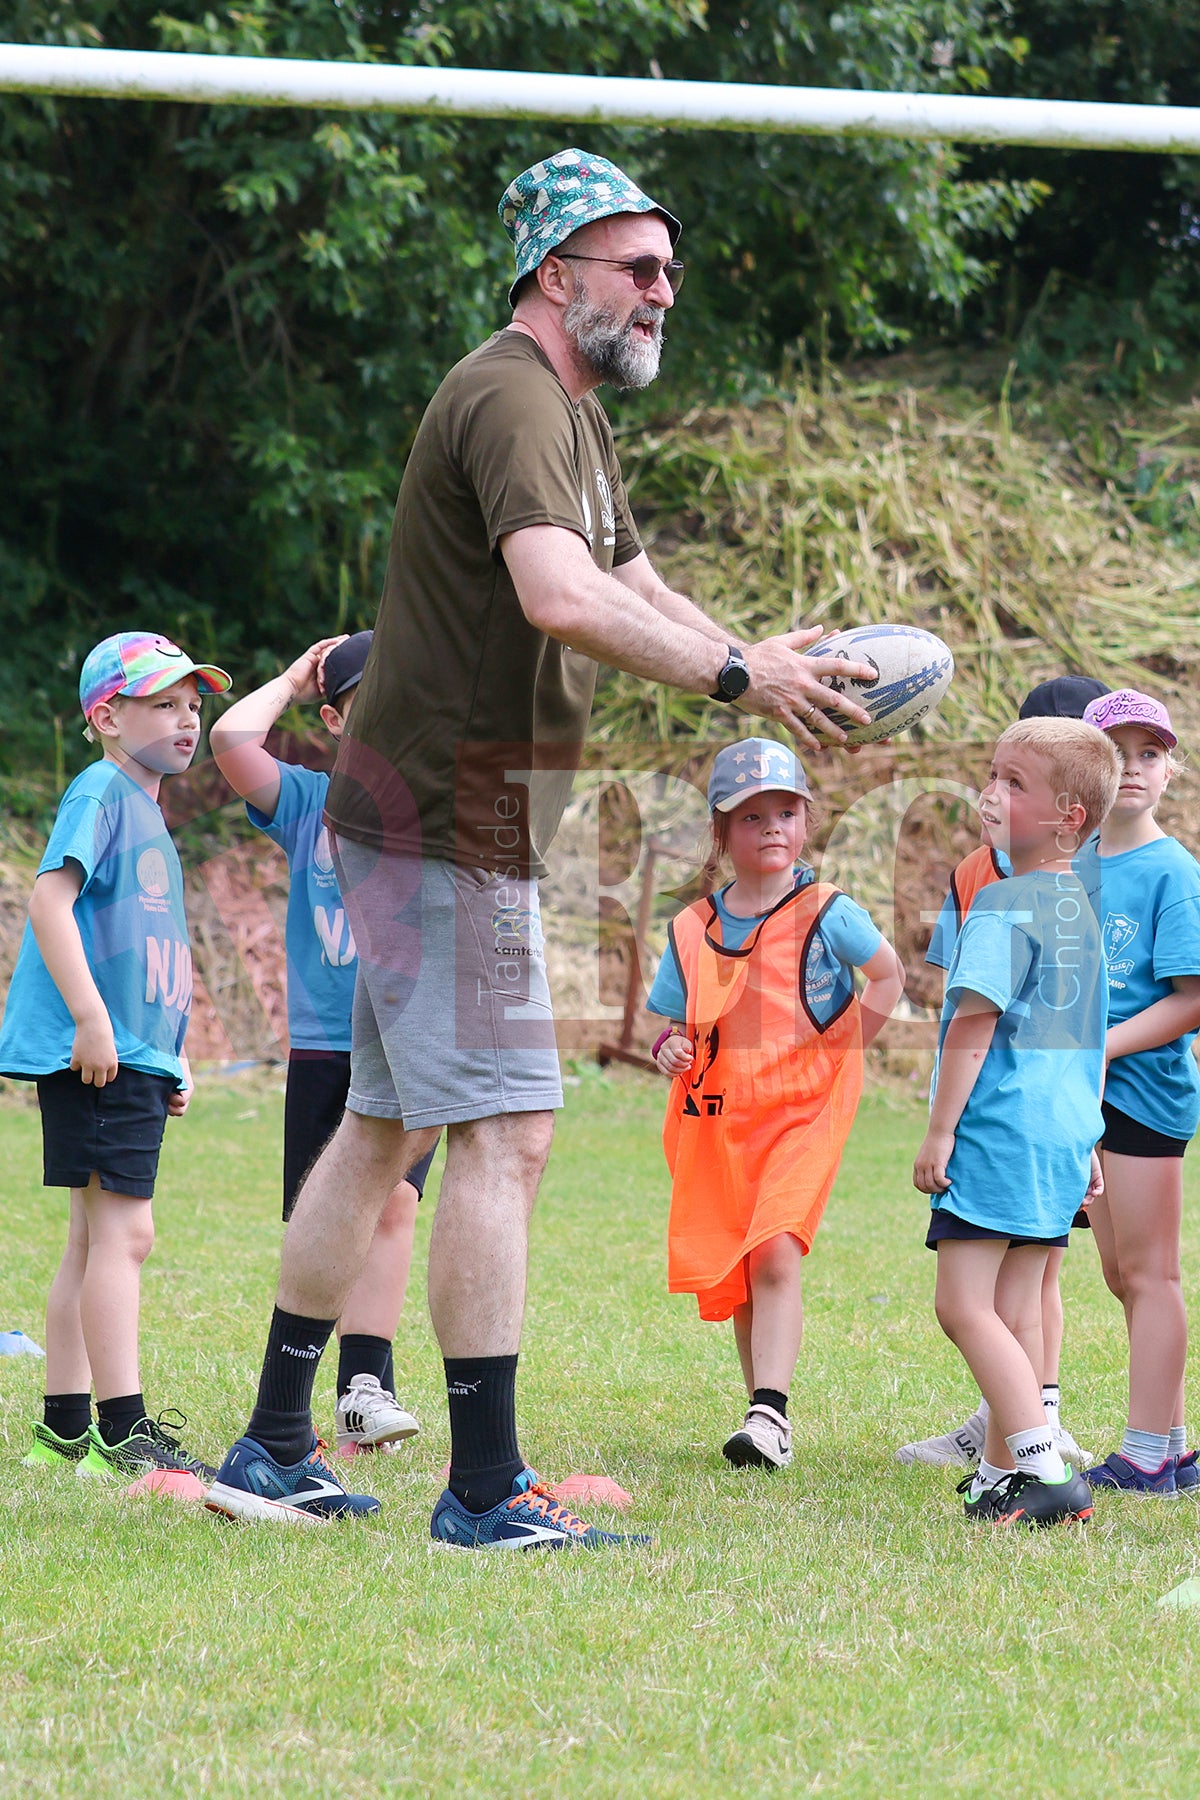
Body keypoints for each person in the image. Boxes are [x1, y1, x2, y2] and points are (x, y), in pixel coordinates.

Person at [204, 146, 879, 1542]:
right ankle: (483, 1488)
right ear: (554, 273)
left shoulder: (571, 416)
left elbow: (631, 580)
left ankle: (272, 1446)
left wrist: (749, 651)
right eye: (639, 269)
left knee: (384, 1131)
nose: (662, 294)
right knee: (506, 1136)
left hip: (435, 820)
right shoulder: (511, 392)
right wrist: (735, 682)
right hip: (452, 823)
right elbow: (560, 593)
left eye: (670, 274)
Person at [0, 631, 230, 1479]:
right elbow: (48, 903)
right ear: (106, 716)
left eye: (192, 706)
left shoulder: (145, 808)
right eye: (163, 704)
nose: (185, 720)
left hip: (129, 1054)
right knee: (126, 1236)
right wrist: (93, 1021)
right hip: (98, 1051)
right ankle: (122, 1430)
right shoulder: (101, 790)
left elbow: (141, 948)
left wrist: (168, 1057)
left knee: (92, 1240)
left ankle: (63, 1430)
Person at [209, 630, 438, 1455]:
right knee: (326, 1211)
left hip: (410, 1035)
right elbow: (232, 740)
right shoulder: (308, 801)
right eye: (369, 699)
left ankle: (364, 1387)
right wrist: (294, 679)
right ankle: (290, 1400)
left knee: (399, 1204)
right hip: (324, 1044)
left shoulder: (436, 798)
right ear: (337, 718)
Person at [647, 738, 904, 1469]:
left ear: (807, 821)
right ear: (721, 833)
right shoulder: (692, 926)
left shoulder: (828, 911)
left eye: (786, 812)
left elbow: (887, 979)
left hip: (803, 1112)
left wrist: (845, 1047)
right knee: (741, 1264)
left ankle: (772, 1413)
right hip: (721, 1120)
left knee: (776, 1249)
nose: (771, 828)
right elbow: (678, 1023)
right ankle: (760, 1416)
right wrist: (669, 1048)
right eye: (750, 815)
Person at [896, 673, 1110, 1470]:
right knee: (1020, 1306)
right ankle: (1000, 1470)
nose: (989, 793)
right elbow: (1086, 1042)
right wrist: (1088, 1137)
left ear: (1069, 816)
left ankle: (1041, 1464)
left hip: (998, 1133)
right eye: (990, 774)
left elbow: (973, 1028)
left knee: (963, 1306)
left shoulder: (1000, 904)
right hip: (1059, 1137)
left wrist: (940, 1130)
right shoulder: (1078, 912)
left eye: (1012, 783)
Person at [1075, 691, 1200, 1496]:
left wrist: (1097, 1050)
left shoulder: (1174, 870)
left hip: (1143, 1089)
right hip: (1078, 1088)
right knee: (1120, 1272)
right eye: (1114, 752)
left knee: (1151, 1273)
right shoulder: (1073, 862)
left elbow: (1192, 998)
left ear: (1171, 769)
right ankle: (1180, 1446)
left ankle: (1147, 1453)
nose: (1132, 767)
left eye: (1148, 753)